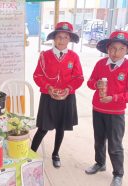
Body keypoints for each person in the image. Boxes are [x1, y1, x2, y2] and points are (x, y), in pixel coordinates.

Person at [85, 30, 128, 186]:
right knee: (99, 140)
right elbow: (90, 83)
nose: (116, 53)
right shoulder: (100, 64)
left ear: (127, 50)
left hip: (116, 113)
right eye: (113, 48)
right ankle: (100, 163)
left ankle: (118, 174)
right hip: (97, 109)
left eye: (121, 49)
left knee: (115, 145)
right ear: (107, 48)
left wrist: (114, 98)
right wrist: (96, 84)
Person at [31, 22, 84, 168]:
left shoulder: (73, 57)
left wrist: (68, 88)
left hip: (67, 97)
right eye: (59, 37)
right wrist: (48, 87)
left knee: (60, 127)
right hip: (48, 97)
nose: (61, 40)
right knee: (43, 127)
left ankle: (55, 153)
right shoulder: (45, 55)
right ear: (54, 38)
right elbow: (37, 75)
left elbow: (78, 77)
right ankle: (30, 153)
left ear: (69, 39)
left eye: (65, 37)